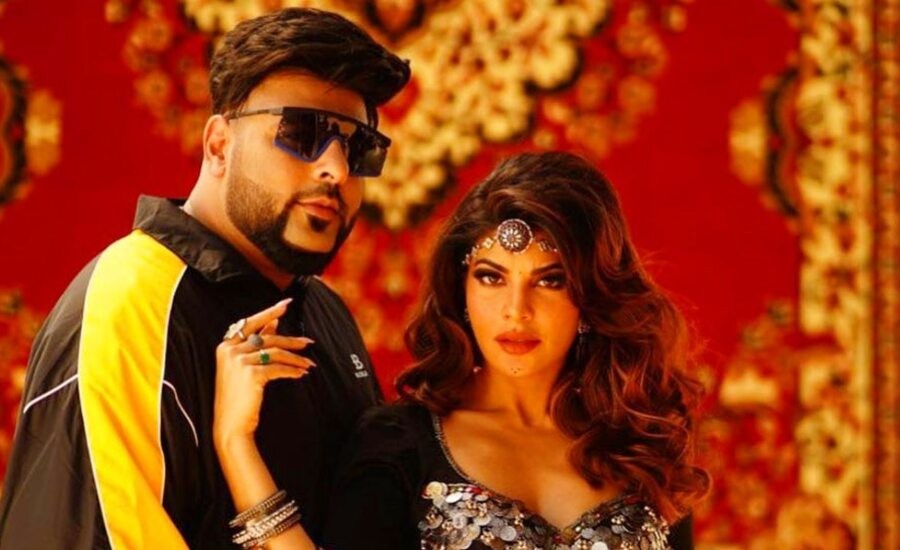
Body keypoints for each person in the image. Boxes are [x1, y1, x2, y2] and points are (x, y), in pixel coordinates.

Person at [0, 8, 409, 548]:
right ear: (218, 145)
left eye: (359, 148)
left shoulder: (323, 312)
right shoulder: (131, 304)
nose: (335, 169)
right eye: (302, 133)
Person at [213, 151, 710, 549]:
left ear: (590, 296)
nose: (516, 311)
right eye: (491, 277)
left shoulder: (643, 446)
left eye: (550, 281)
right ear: (462, 289)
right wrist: (235, 443)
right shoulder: (399, 444)